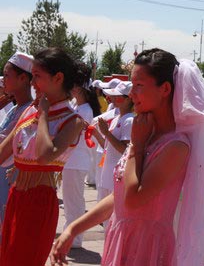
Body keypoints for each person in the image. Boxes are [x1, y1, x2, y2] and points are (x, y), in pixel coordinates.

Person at [51, 48, 204, 266]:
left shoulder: (176, 145)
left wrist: (136, 147)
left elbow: (133, 200)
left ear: (165, 89)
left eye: (139, 86)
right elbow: (119, 196)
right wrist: (73, 228)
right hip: (121, 236)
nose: (132, 94)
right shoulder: (146, 134)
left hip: (147, 247)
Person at [0, 47, 84, 265]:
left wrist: (44, 113)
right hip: (16, 197)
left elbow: (45, 156)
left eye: (37, 76)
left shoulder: (72, 121)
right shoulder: (30, 111)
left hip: (39, 202)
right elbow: (2, 153)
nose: (32, 82)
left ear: (58, 78)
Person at [62, 61, 101, 249]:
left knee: (74, 202)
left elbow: (72, 134)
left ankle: (74, 238)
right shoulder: (77, 106)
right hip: (71, 161)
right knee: (71, 201)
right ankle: (71, 235)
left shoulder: (85, 110)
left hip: (76, 161)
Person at [0, 52, 34, 240]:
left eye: (7, 75)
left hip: (8, 179)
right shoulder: (14, 108)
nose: (3, 80)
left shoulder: (29, 111)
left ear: (23, 79)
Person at [93, 81, 134, 204]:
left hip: (117, 176)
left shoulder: (130, 120)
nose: (113, 98)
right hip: (107, 175)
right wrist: (96, 133)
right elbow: (107, 146)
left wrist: (106, 133)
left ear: (128, 99)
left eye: (118, 96)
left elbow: (125, 150)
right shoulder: (117, 118)